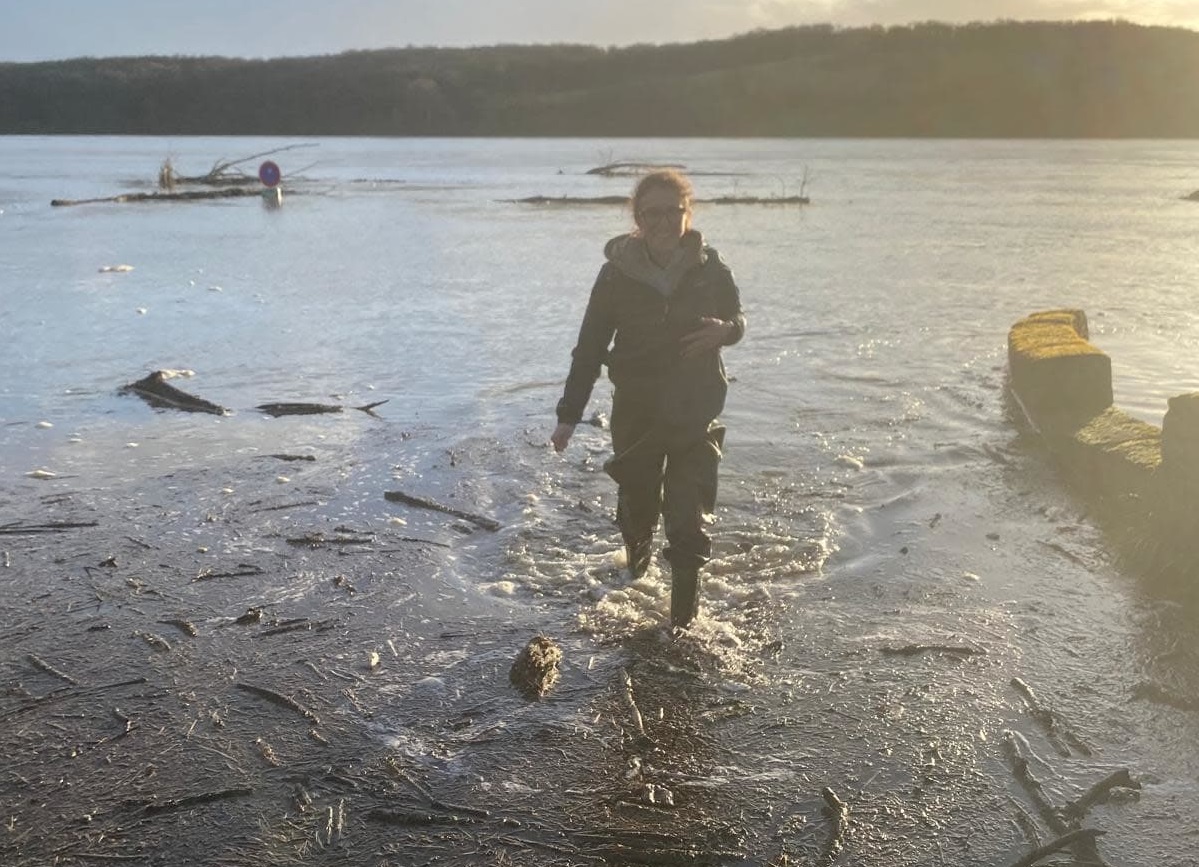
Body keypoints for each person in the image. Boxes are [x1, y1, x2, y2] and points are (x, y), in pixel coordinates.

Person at [550, 170, 746, 629]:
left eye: (671, 212)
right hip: (637, 413)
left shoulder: (711, 267)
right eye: (650, 213)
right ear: (637, 218)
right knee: (639, 508)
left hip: (696, 410)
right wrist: (568, 416)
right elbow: (590, 347)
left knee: (687, 520)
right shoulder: (615, 275)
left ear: (687, 212)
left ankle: (683, 629)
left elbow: (737, 317)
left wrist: (728, 331)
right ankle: (636, 569)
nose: (661, 222)